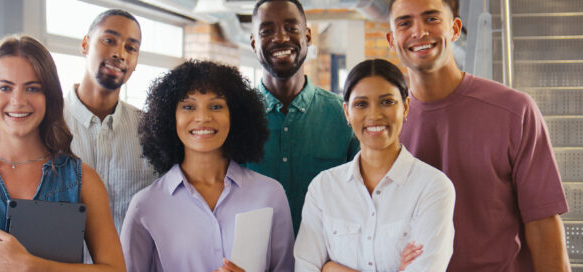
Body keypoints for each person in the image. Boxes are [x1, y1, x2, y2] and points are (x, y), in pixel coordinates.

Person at [386, 0, 570, 271]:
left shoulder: (514, 111)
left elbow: (543, 223)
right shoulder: (381, 125)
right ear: (391, 40)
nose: (419, 31)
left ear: (455, 28)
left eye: (432, 19)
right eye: (405, 23)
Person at [0, 35, 125, 271]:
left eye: (33, 88)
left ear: (49, 96)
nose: (18, 101)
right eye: (5, 87)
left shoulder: (84, 181)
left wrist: (31, 266)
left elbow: (116, 269)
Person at [120, 60, 294, 272]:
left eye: (216, 106)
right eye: (188, 107)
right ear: (169, 118)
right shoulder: (146, 205)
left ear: (235, 115)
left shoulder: (270, 194)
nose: (203, 117)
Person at [294, 59, 455, 272]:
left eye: (387, 102)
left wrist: (332, 269)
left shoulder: (432, 187)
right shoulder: (323, 187)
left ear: (406, 107)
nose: (374, 115)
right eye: (361, 104)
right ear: (347, 113)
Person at [246, 0, 359, 232]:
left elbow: (361, 200)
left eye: (291, 28)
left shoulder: (344, 116)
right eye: (267, 31)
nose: (280, 38)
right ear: (254, 42)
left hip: (327, 263)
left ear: (307, 36)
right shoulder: (235, 118)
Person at [64, 9, 157, 235]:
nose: (119, 53)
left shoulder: (149, 130)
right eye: (109, 40)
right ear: (85, 44)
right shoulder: (47, 122)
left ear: (135, 62)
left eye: (130, 48)